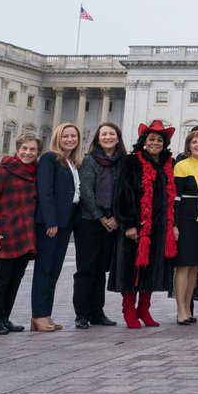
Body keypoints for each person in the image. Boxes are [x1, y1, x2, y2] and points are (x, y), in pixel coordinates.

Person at [109, 121, 177, 329]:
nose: (156, 142)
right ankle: (129, 309)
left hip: (158, 226)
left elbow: (170, 197)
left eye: (159, 140)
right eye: (151, 139)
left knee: (151, 270)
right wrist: (129, 224)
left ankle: (144, 309)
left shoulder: (167, 165)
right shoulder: (131, 162)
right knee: (131, 268)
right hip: (137, 226)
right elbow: (123, 193)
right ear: (144, 142)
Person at [0, 132, 40, 335]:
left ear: (38, 153)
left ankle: (4, 318)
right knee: (2, 278)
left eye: (32, 150)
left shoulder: (35, 172)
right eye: (24, 148)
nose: (27, 152)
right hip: (4, 233)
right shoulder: (3, 171)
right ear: (17, 149)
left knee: (16, 278)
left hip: (25, 233)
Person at [31, 123, 83, 332]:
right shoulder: (49, 158)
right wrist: (50, 221)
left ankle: (46, 314)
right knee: (44, 270)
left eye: (74, 136)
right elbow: (45, 191)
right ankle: (38, 314)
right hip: (51, 224)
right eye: (66, 136)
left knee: (54, 270)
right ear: (58, 138)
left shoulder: (71, 161)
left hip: (66, 222)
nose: (70, 139)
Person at [75, 122, 124, 329]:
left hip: (113, 222)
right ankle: (82, 313)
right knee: (86, 269)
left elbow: (125, 191)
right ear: (97, 138)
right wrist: (101, 217)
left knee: (101, 269)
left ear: (118, 137)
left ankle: (97, 311)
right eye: (104, 134)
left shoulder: (122, 162)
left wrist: (116, 217)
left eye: (111, 134)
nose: (107, 137)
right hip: (90, 222)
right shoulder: (89, 161)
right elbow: (86, 192)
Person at [172, 129, 198, 326]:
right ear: (188, 146)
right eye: (195, 142)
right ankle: (180, 308)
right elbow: (176, 198)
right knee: (183, 266)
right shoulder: (181, 166)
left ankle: (189, 309)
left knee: (195, 268)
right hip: (186, 220)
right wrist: (174, 224)